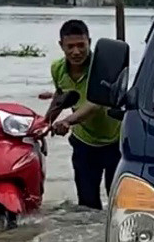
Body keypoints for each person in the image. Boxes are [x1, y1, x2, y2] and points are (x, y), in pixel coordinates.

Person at [47, 19, 121, 210]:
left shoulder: (103, 66)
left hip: (114, 143)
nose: (76, 52)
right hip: (84, 144)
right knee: (87, 207)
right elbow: (61, 96)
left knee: (117, 204)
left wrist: (67, 121)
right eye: (70, 46)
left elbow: (96, 103)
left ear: (89, 41)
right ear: (61, 46)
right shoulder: (57, 68)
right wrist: (43, 124)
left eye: (81, 45)